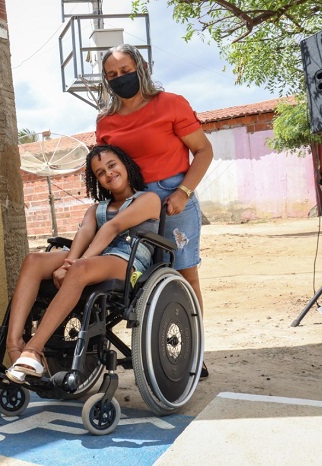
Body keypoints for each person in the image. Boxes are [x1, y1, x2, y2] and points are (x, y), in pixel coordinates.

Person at [95, 44, 214, 378]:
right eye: (112, 74)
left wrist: (183, 192)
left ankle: (193, 352)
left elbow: (204, 151)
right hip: (131, 202)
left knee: (185, 275)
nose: (120, 78)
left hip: (174, 199)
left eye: (125, 70)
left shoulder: (171, 104)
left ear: (142, 68)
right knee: (136, 278)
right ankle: (151, 350)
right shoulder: (105, 121)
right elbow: (106, 165)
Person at [5, 145, 161, 384]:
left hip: (127, 259)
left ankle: (34, 349)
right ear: (97, 180)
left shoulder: (148, 199)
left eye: (112, 165)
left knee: (80, 268)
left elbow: (113, 227)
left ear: (126, 164)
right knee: (34, 260)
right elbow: (84, 233)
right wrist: (67, 264)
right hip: (94, 257)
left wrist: (76, 265)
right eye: (100, 172)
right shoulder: (96, 209)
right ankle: (14, 346)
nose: (108, 173)